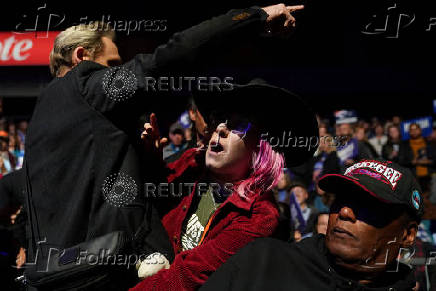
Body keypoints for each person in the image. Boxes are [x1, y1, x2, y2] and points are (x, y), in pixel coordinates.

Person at [23, 4, 304, 289]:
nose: (121, 74)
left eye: (236, 125)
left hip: (60, 276)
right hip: (94, 278)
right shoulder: (87, 87)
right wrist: (252, 18)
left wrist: (147, 163)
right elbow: (171, 56)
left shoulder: (43, 113)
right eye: (112, 66)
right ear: (81, 57)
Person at [132, 81, 319, 290]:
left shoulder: (259, 217)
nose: (220, 129)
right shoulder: (192, 164)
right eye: (219, 120)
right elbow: (144, 205)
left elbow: (188, 275)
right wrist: (150, 163)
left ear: (261, 146)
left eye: (238, 125)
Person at [202, 159, 423, 291]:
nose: (344, 212)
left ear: (408, 234)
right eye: (340, 200)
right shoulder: (262, 262)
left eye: (367, 205)